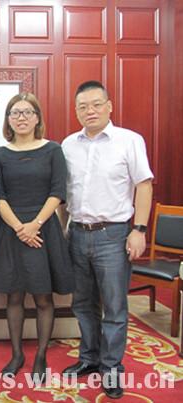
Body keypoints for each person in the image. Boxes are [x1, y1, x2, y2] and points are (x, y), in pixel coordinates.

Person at [60, 80, 153, 399]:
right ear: (76, 111)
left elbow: (144, 185)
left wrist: (139, 230)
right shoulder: (68, 145)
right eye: (83, 106)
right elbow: (64, 194)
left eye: (96, 104)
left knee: (114, 306)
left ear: (109, 106)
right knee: (82, 304)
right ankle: (89, 358)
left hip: (113, 235)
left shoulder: (129, 140)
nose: (90, 111)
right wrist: (63, 229)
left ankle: (111, 367)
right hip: (77, 233)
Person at [0, 93, 74, 382]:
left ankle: (41, 355)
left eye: (27, 112)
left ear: (37, 118)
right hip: (11, 231)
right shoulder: (0, 154)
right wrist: (20, 228)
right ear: (8, 120)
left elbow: (58, 192)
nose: (21, 117)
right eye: (15, 113)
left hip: (43, 229)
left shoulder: (53, 150)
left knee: (43, 297)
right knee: (14, 296)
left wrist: (34, 225)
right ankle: (16, 354)